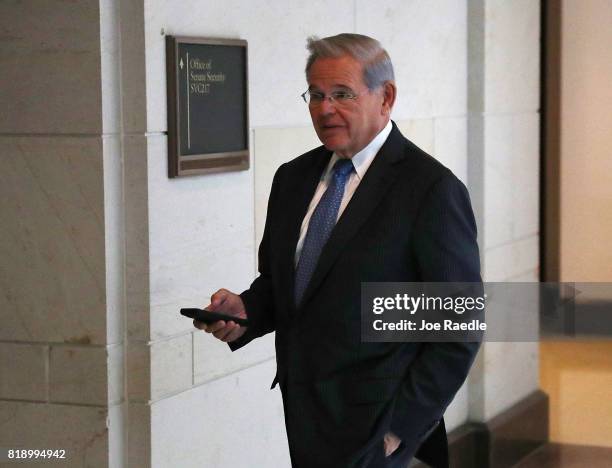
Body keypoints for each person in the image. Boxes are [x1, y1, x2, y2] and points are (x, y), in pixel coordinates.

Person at [194, 33, 481, 468]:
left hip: (386, 435)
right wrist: (244, 311)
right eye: (316, 94)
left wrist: (397, 433)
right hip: (307, 419)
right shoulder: (292, 179)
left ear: (385, 98)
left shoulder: (430, 190)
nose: (325, 108)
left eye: (342, 94)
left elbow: (456, 331)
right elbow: (285, 287)